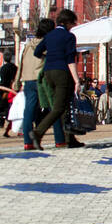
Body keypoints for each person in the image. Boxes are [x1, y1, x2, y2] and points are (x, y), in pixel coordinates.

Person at [29, 10, 83, 150]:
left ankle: (69, 139)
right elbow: (70, 60)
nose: (73, 26)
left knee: (63, 106)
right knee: (59, 108)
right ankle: (37, 133)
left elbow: (37, 52)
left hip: (48, 73)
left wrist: (50, 57)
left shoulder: (49, 35)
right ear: (67, 23)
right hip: (62, 74)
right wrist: (77, 80)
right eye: (73, 23)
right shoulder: (69, 36)